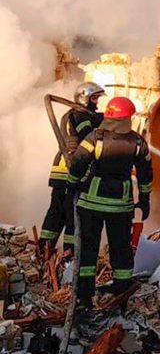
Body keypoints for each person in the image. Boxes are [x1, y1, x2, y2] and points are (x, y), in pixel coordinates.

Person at [67, 96, 153, 310]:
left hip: (91, 204)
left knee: (88, 250)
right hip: (121, 207)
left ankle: (84, 297)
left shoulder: (95, 138)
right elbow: (146, 174)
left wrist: (72, 184)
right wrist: (144, 199)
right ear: (128, 118)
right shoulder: (138, 143)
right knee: (121, 248)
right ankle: (122, 292)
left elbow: (77, 162)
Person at [39, 82, 106, 257]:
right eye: (94, 98)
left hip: (63, 169)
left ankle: (44, 250)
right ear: (84, 98)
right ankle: (68, 255)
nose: (96, 102)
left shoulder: (75, 114)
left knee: (57, 212)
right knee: (71, 213)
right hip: (71, 169)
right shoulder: (81, 116)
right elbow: (89, 137)